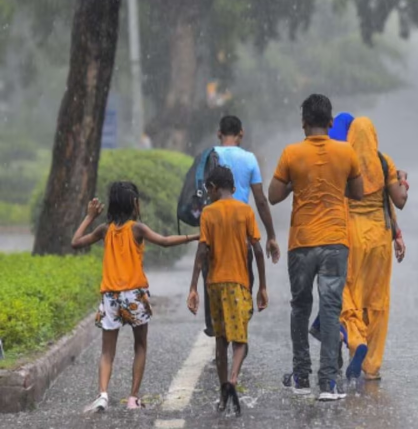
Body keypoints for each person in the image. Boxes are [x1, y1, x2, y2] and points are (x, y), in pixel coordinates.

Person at [71, 182, 199, 412]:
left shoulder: (105, 229)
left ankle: (102, 395)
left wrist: (90, 216)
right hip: (135, 295)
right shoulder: (137, 228)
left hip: (110, 296)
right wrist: (194, 236)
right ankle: (133, 398)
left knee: (107, 351)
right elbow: (165, 241)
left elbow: (75, 242)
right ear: (134, 203)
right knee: (140, 346)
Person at [269, 93, 364, 401]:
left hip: (302, 243)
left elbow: (273, 195)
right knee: (331, 307)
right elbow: (358, 193)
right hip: (335, 242)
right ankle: (328, 383)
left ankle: (300, 375)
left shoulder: (291, 153)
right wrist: (336, 184)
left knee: (300, 307)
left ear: (304, 124)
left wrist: (299, 180)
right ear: (331, 122)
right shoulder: (346, 151)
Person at [187, 166, 267, 415]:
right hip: (238, 284)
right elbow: (257, 250)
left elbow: (202, 252)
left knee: (220, 340)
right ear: (233, 188)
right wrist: (262, 286)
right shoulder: (245, 211)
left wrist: (193, 287)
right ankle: (233, 379)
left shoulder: (208, 213)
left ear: (212, 188)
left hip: (214, 284)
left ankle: (223, 394)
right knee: (240, 340)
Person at [339, 116, 409, 381]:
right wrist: (403, 181)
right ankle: (371, 366)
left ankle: (356, 341)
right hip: (381, 236)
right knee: (377, 300)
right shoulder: (383, 161)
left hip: (352, 235)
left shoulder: (345, 160)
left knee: (349, 292)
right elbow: (396, 201)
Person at [201, 115, 280, 337]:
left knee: (211, 278)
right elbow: (261, 200)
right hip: (240, 237)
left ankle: (214, 325)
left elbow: (202, 193)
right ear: (241, 134)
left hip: (214, 233)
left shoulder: (210, 156)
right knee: (244, 281)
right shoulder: (249, 159)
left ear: (219, 134)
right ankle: (239, 326)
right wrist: (271, 235)